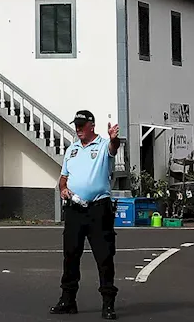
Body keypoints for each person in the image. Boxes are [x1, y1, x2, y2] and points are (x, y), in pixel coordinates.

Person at [51, 110, 121, 319]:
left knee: (104, 256)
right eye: (76, 125)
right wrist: (63, 189)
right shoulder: (71, 150)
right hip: (74, 209)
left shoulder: (102, 145)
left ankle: (108, 303)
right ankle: (68, 299)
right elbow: (63, 178)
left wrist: (113, 139)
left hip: (98, 208)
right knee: (70, 255)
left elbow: (113, 148)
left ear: (92, 125)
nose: (78, 129)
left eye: (82, 125)